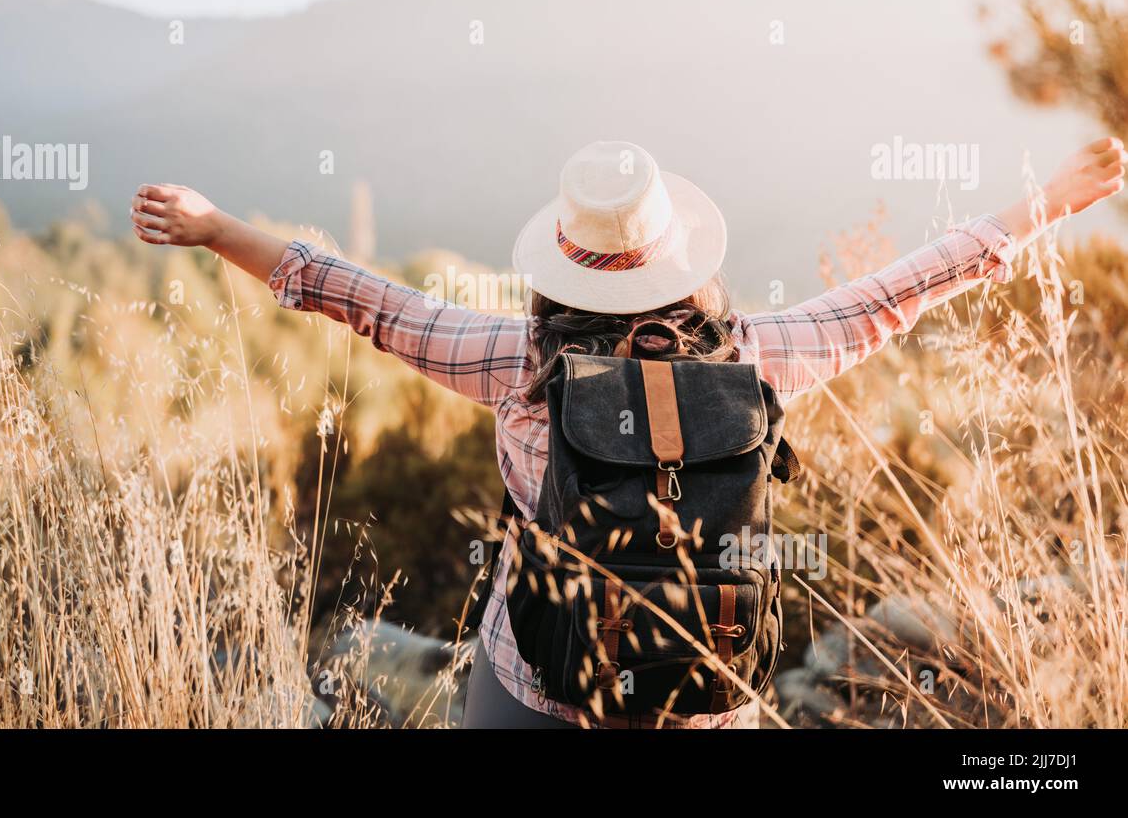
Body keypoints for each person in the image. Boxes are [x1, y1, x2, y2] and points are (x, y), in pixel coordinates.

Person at [130, 138, 1125, 728]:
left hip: (538, 684)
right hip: (707, 683)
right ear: (680, 260)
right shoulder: (758, 355)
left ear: (559, 267)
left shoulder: (514, 361)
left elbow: (360, 298)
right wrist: (1060, 197)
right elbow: (912, 283)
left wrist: (215, 227)